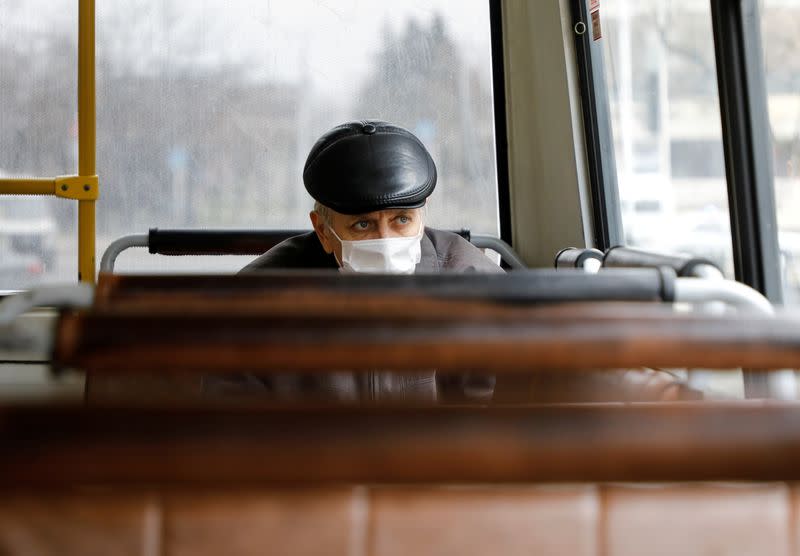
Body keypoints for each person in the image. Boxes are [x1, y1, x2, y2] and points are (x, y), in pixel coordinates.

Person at [241, 120, 502, 274]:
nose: (386, 243)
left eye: (402, 220)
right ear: (322, 230)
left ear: (422, 218)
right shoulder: (263, 298)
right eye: (363, 224)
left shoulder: (473, 282)